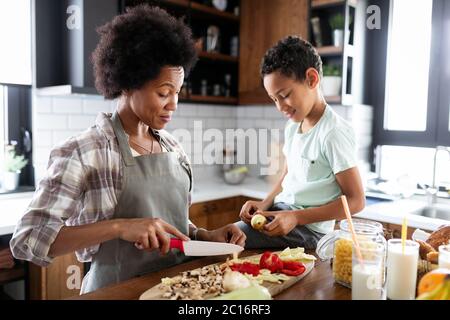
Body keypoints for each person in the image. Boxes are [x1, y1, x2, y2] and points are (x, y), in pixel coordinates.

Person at [10, 5, 245, 293]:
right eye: (163, 93)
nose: (173, 104)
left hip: (179, 290)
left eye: (177, 93)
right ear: (129, 82)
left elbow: (176, 227)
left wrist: (206, 235)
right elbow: (28, 240)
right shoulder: (84, 152)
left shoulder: (173, 147)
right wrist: (120, 227)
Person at [237, 36, 365, 249]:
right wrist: (264, 202)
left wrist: (296, 217)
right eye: (274, 99)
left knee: (230, 239)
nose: (280, 106)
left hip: (309, 230)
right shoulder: (293, 126)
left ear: (312, 79)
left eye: (285, 95)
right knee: (229, 237)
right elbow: (289, 175)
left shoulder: (333, 132)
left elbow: (356, 200)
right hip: (283, 213)